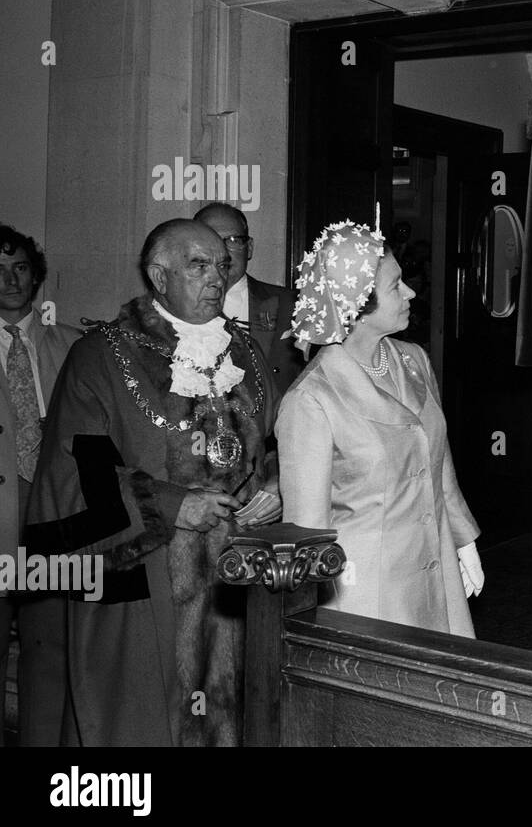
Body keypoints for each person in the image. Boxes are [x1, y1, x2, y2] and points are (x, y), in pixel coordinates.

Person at [23, 219, 281, 746]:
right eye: (199, 265)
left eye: (223, 265)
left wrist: (273, 487)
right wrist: (170, 503)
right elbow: (74, 474)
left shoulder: (247, 357)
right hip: (145, 580)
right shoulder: (101, 356)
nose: (218, 278)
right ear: (158, 275)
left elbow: (269, 449)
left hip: (234, 583)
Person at [277, 220, 484, 635]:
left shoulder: (413, 360)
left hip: (435, 569)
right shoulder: (311, 401)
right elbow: (307, 532)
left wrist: (464, 540)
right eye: (396, 286)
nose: (410, 292)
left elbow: (438, 463)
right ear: (356, 307)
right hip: (365, 591)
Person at [0, 224, 80, 746]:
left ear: (37, 276)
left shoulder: (74, 345)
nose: (10, 280)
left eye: (20, 268)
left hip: (54, 521)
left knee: (49, 655)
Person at [195, 203, 303, 395]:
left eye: (233, 240)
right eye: (210, 240)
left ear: (249, 247)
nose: (223, 251)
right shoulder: (171, 310)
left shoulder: (293, 305)